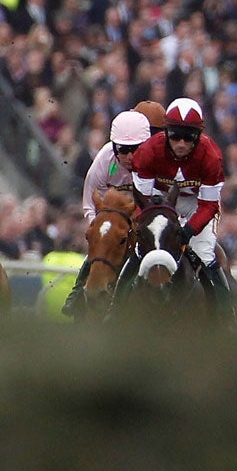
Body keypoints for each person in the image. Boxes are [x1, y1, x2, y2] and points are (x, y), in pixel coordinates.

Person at [129, 96, 233, 315]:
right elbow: (141, 199)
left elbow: (209, 205)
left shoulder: (211, 156)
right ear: (166, 133)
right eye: (175, 136)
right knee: (140, 250)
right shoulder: (148, 151)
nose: (181, 144)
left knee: (205, 253)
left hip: (197, 204)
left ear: (198, 137)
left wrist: (189, 230)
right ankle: (114, 308)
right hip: (159, 200)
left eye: (189, 138)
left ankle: (226, 317)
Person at [62, 107, 155, 315]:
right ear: (114, 147)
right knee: (102, 245)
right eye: (123, 149)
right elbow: (89, 202)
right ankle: (78, 292)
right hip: (113, 218)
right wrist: (99, 231)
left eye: (136, 149)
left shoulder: (157, 163)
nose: (129, 156)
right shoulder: (104, 162)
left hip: (145, 215)